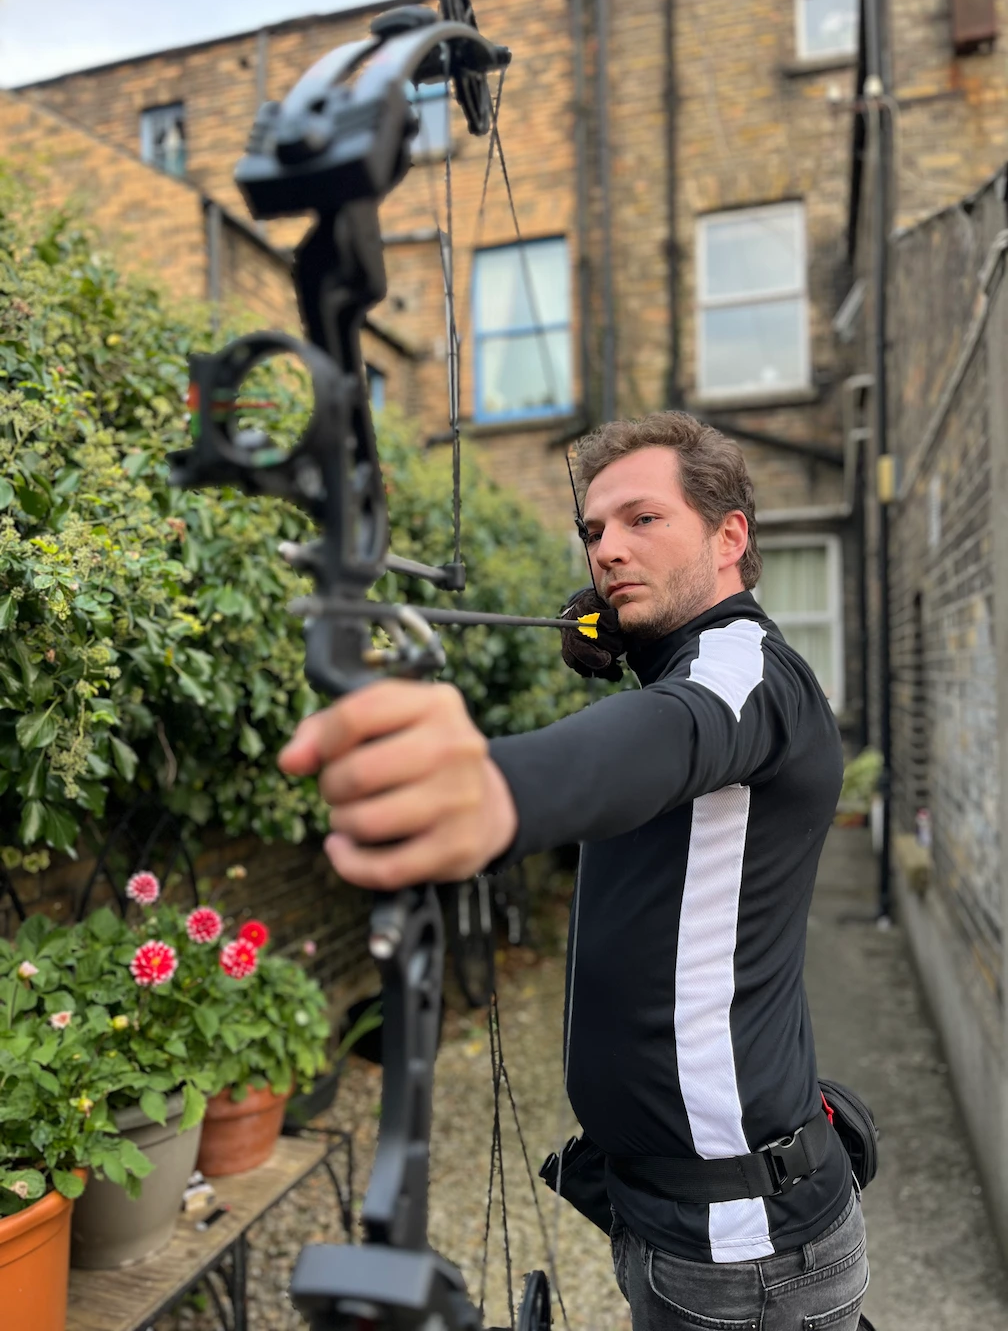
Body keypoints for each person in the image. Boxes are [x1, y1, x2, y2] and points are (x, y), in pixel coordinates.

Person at [278, 411, 870, 1331]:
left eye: (642, 520)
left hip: (742, 1252)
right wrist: (634, 651)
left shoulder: (746, 672)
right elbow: (668, 715)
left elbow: (675, 733)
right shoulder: (681, 670)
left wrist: (487, 787)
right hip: (669, 1216)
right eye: (594, 530)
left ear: (729, 536)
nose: (606, 551)